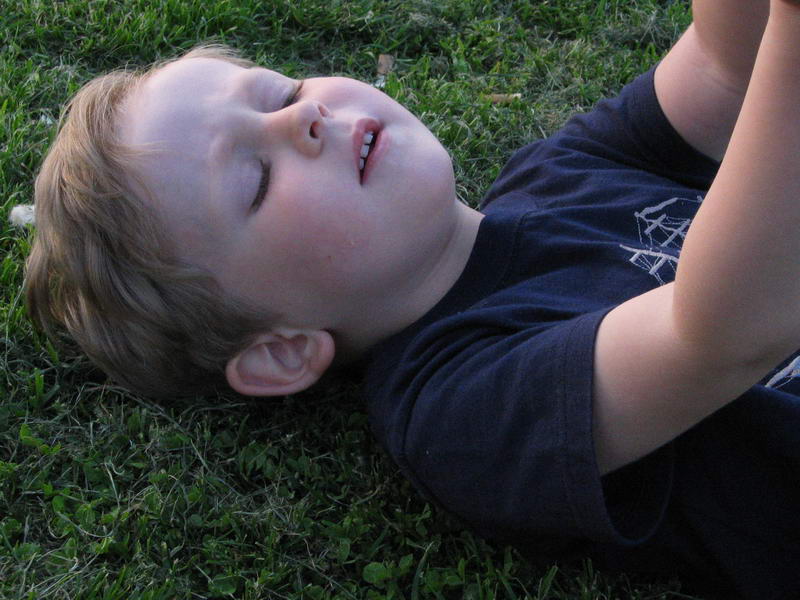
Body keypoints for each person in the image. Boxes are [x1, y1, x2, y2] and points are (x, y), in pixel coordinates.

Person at [23, 0, 800, 596]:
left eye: (279, 90)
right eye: (255, 179)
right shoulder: (452, 405)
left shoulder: (556, 173)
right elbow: (720, 334)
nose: (304, 117)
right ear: (282, 350)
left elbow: (722, 68)